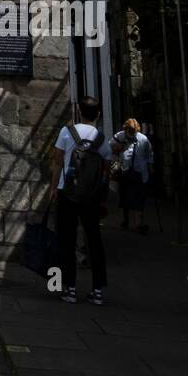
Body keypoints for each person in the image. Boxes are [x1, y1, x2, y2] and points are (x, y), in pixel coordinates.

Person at [48, 95, 113, 306]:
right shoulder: (101, 139)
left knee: (66, 240)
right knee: (94, 240)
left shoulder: (67, 133)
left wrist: (53, 188)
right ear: (98, 114)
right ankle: (97, 291)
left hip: (67, 193)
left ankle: (69, 288)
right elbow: (106, 171)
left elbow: (57, 162)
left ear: (78, 112)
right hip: (91, 197)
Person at [112, 118, 154, 233]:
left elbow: (150, 154)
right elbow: (110, 147)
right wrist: (118, 148)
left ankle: (139, 224)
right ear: (125, 129)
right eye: (129, 132)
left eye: (133, 132)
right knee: (126, 198)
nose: (131, 134)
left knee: (139, 199)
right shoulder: (119, 136)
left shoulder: (143, 139)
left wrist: (151, 168)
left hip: (140, 173)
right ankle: (127, 221)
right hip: (125, 172)